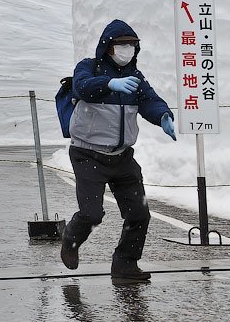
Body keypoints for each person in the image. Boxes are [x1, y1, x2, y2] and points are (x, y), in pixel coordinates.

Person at [60, 19, 177, 282]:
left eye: (132, 46)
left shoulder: (135, 77)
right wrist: (109, 83)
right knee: (92, 214)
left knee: (139, 214)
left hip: (122, 157)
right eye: (121, 45)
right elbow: (82, 86)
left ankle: (125, 264)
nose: (127, 50)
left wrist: (163, 116)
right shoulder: (88, 67)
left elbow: (150, 100)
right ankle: (71, 238)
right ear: (108, 47)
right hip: (87, 153)